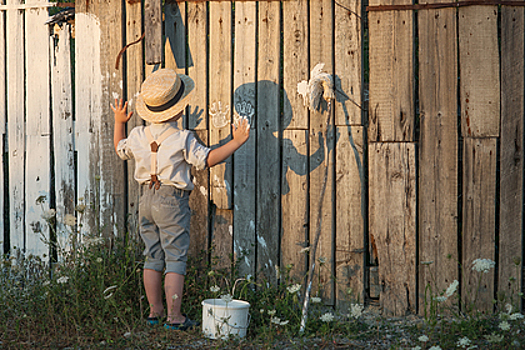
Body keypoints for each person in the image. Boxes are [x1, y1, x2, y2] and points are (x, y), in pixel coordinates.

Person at [112, 68, 250, 330]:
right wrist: (236, 141)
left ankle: (154, 313)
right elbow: (207, 159)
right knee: (175, 258)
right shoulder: (183, 137)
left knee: (152, 256)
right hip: (171, 201)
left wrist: (120, 120)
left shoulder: (139, 135)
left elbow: (121, 150)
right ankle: (174, 318)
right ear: (178, 109)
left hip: (146, 200)